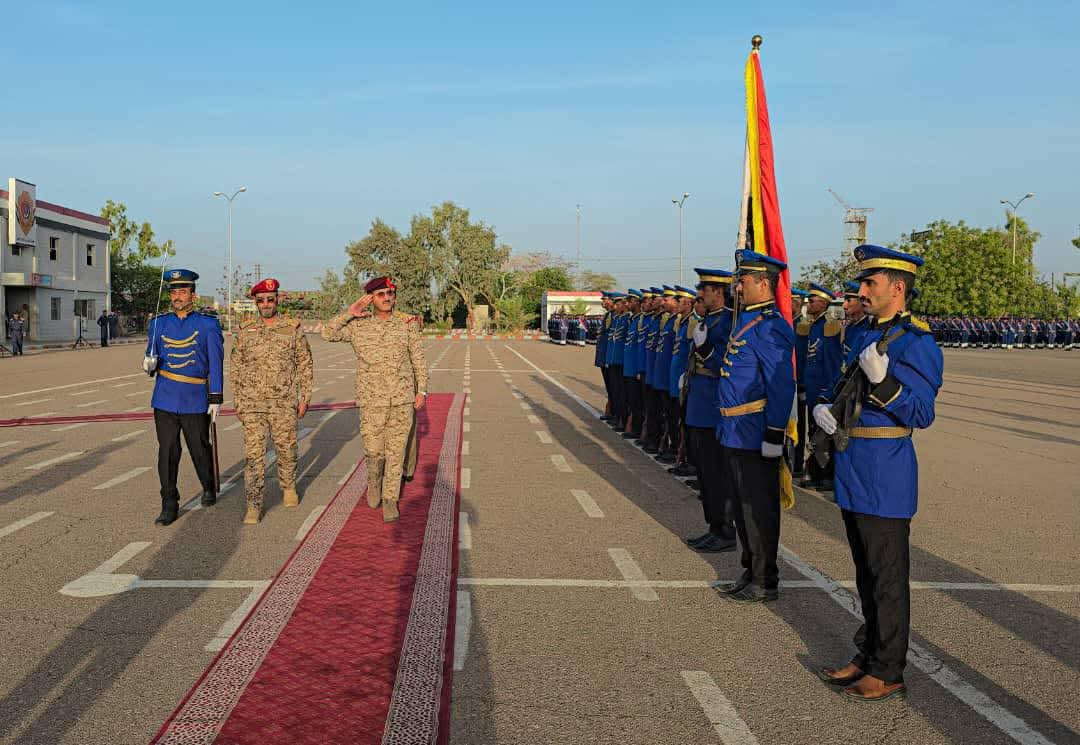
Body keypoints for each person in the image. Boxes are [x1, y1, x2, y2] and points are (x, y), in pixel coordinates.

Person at [814, 244, 942, 702]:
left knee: (887, 577)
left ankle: (888, 669)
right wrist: (824, 406)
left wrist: (885, 383)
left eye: (871, 283)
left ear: (898, 288)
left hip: (886, 472)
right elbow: (841, 385)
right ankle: (868, 653)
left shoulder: (917, 342)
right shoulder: (861, 333)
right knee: (866, 574)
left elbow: (922, 412)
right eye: (863, 282)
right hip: (854, 466)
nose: (862, 290)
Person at [710, 250, 795, 603]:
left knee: (758, 510)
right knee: (742, 509)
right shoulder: (746, 320)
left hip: (755, 432)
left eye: (743, 280)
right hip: (734, 430)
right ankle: (750, 569)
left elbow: (781, 384)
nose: (737, 287)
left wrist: (774, 433)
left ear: (763, 283)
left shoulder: (771, 327)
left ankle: (764, 579)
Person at [322, 275, 428, 522]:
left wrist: (421, 390)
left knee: (396, 452)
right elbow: (328, 333)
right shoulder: (359, 326)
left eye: (391, 293)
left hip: (402, 399)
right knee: (373, 451)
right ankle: (374, 481)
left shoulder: (407, 324)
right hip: (371, 400)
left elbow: (418, 359)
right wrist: (349, 313)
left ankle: (390, 499)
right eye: (381, 294)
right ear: (370, 298)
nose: (387, 298)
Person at [142, 269, 224, 526]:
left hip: (194, 396)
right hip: (165, 396)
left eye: (183, 291)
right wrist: (148, 364)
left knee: (199, 448)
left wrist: (215, 397)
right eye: (174, 292)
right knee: (167, 452)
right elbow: (152, 356)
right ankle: (169, 503)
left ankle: (208, 485)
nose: (177, 296)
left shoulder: (208, 324)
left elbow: (216, 363)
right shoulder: (158, 323)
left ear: (193, 295)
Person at [230, 278, 314, 524]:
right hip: (252, 404)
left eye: (270, 299)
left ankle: (288, 486)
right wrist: (238, 401)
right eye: (261, 300)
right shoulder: (245, 330)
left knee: (286, 449)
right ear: (255, 303)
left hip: (283, 402)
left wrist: (305, 397)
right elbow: (236, 367)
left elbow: (305, 363)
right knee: (253, 456)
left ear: (277, 300)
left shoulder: (292, 328)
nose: (266, 304)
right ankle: (253, 504)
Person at [684, 268, 736, 553]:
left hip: (713, 406)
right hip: (699, 403)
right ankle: (713, 526)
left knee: (717, 474)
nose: (700, 294)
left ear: (718, 292)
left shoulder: (728, 322)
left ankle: (725, 530)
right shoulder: (707, 320)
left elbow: (727, 367)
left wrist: (705, 352)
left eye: (704, 289)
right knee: (705, 473)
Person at [800, 283, 841, 490]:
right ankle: (815, 471)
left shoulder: (829, 326)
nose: (808, 304)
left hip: (822, 389)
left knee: (824, 433)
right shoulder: (813, 325)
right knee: (813, 432)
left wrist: (827, 392)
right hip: (811, 387)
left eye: (813, 301)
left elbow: (832, 363)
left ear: (824, 304)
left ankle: (826, 474)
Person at [840, 280, 870, 372]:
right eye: (844, 300)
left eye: (849, 301)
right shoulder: (850, 326)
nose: (844, 305)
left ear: (861, 302)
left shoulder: (868, 328)